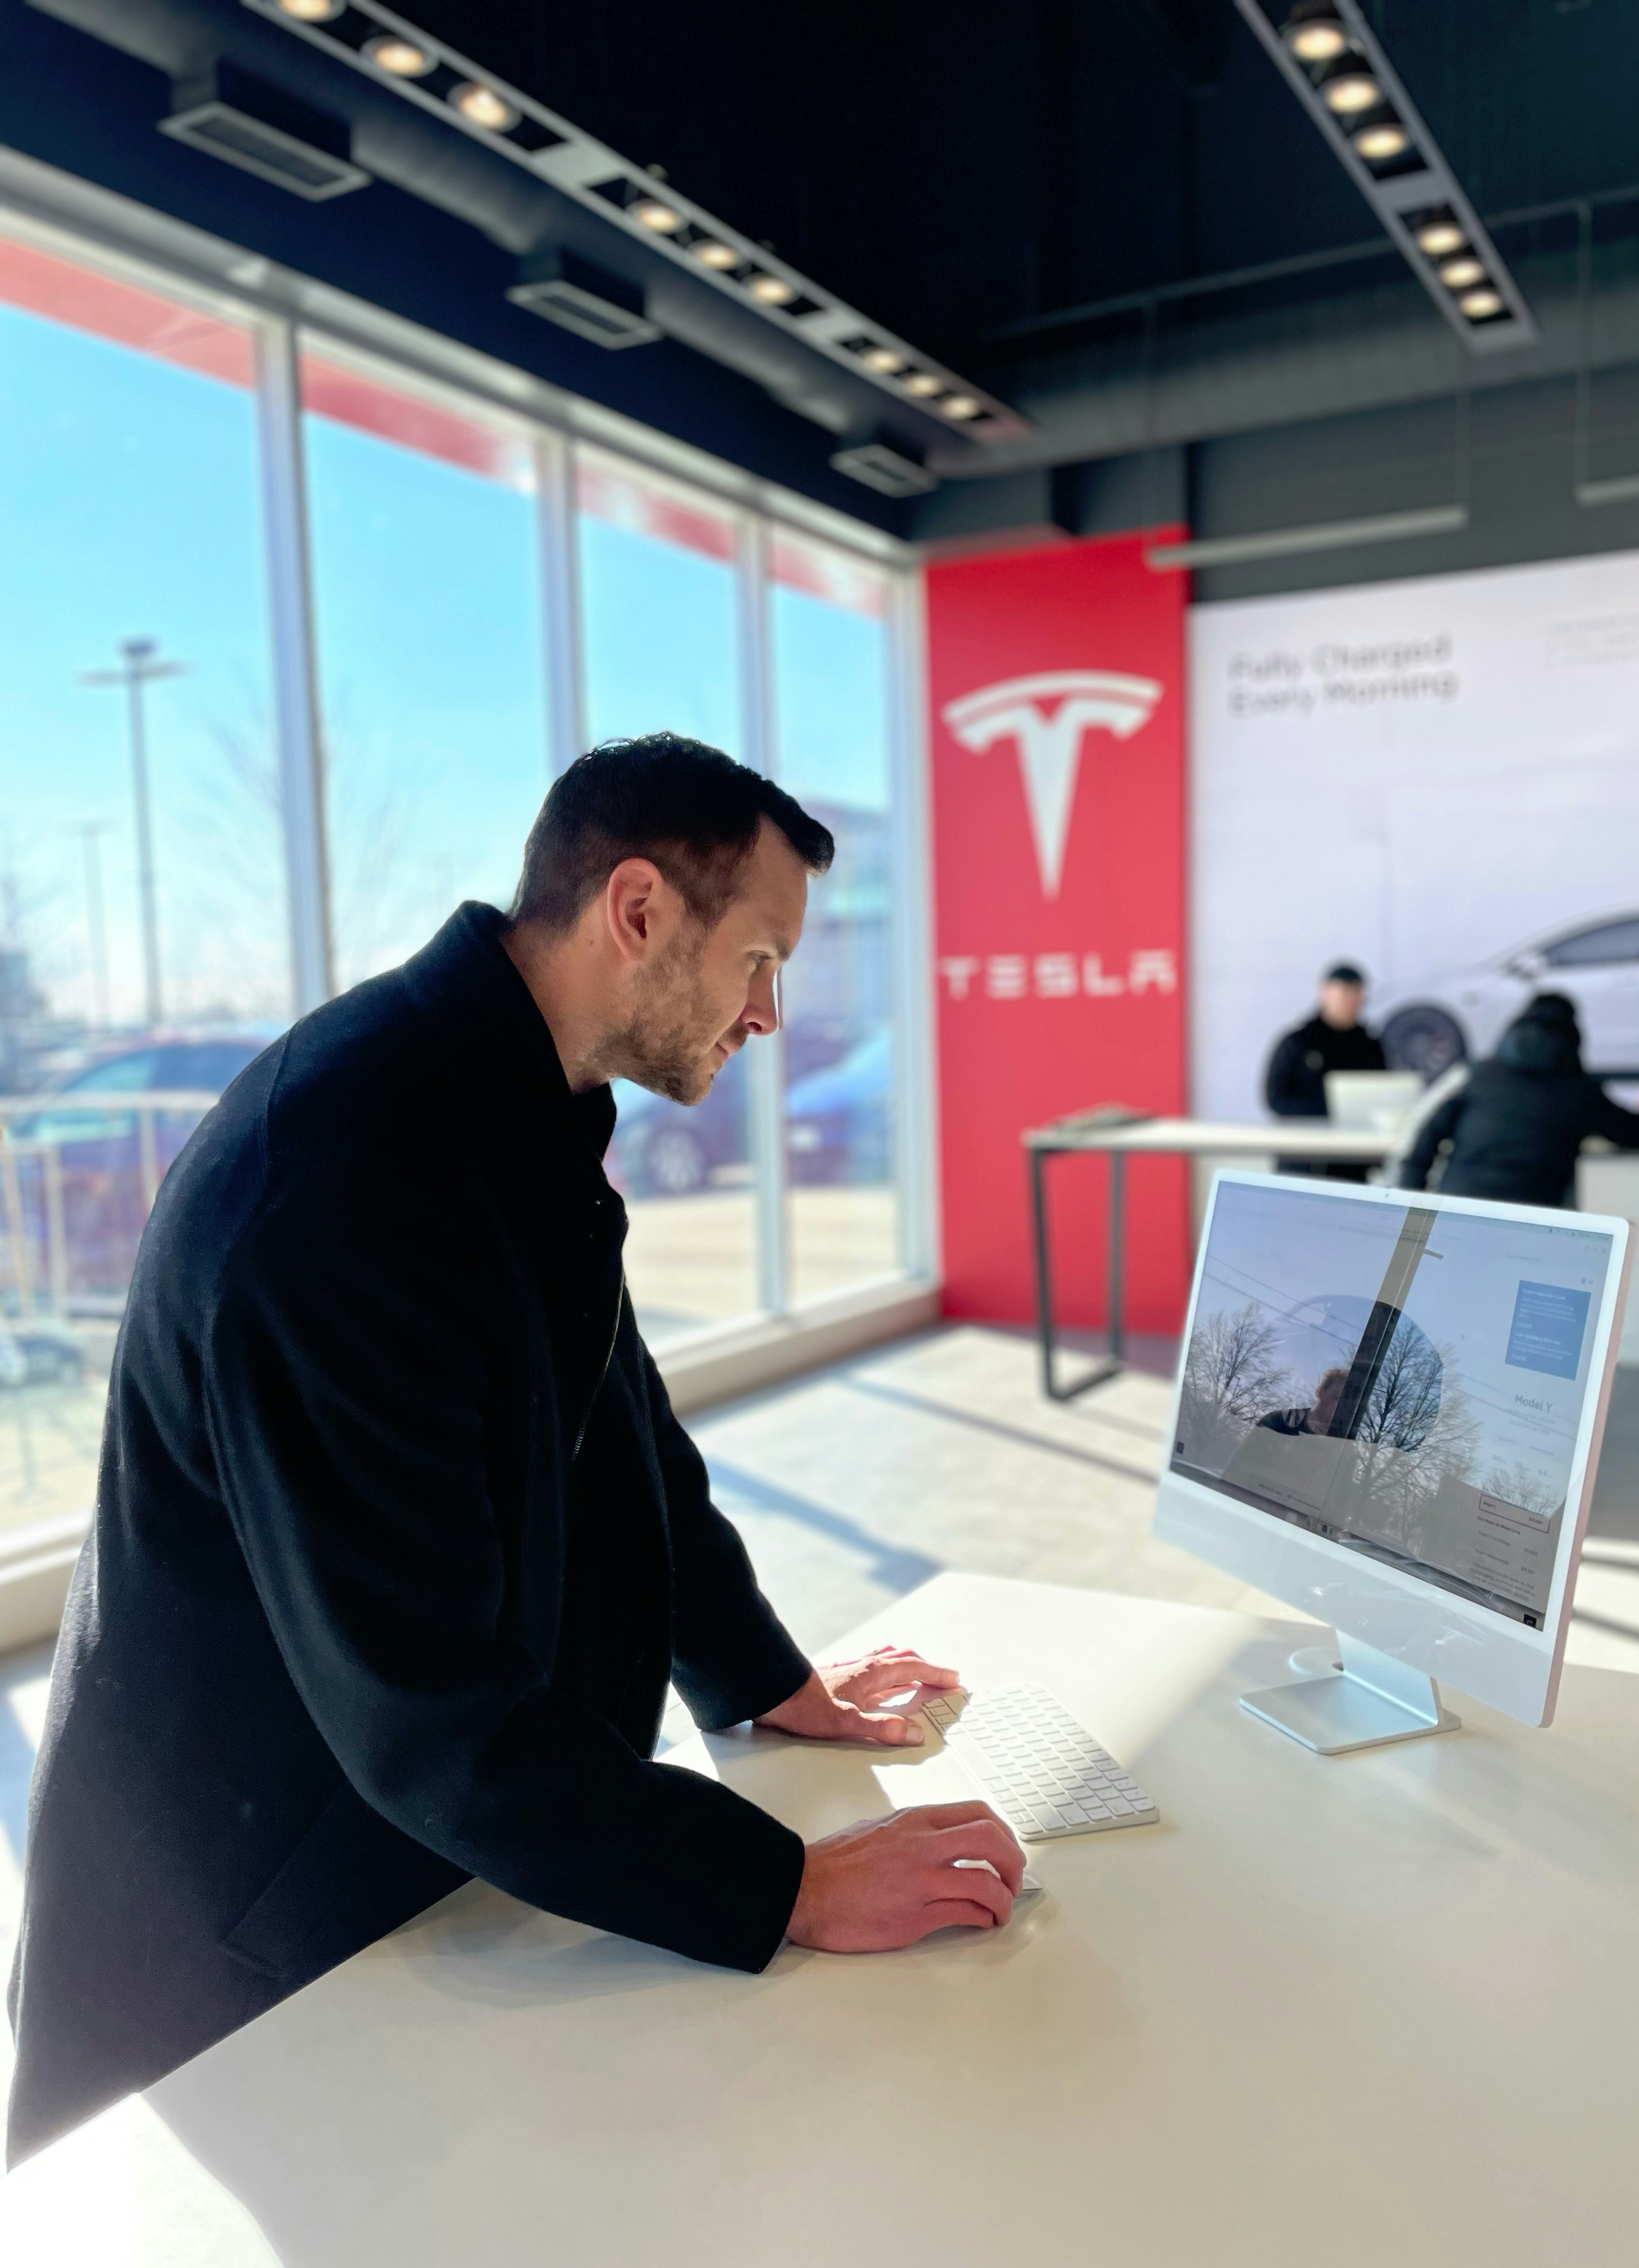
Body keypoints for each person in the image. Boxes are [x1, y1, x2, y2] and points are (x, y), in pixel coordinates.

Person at [7, 733, 1023, 2167]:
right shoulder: (345, 1183)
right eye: (759, 961)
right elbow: (423, 1702)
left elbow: (626, 1438)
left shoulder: (514, 1108)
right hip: (239, 1957)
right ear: (639, 911)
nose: (770, 1014)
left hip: (411, 1882)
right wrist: (776, 1886)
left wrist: (767, 1680)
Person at [1398, 989, 1639, 1207]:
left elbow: (1427, 1136)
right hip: (1536, 1218)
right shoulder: (1580, 1091)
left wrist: (1412, 1199)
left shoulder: (1480, 1075)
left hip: (1461, 1204)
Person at [1264, 963, 1386, 1181]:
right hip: (1303, 1160)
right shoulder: (1298, 1042)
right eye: (1344, 992)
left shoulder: (1370, 1046)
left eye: (1356, 993)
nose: (1350, 1000)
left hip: (1354, 1162)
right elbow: (1276, 1099)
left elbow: (1384, 1095)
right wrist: (1330, 1112)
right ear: (1325, 992)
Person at [1258, 1366, 1350, 1438]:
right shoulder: (1279, 1421)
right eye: (1337, 1398)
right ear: (1320, 1392)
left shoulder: (1344, 1442)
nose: (1341, 1407)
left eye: (1347, 1404)